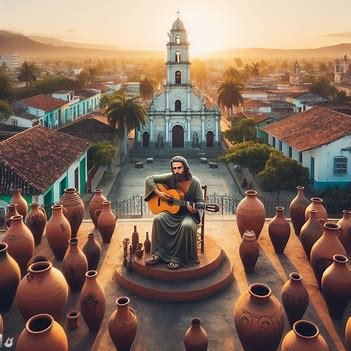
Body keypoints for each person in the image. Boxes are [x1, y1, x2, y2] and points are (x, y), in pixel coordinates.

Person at [144, 155, 204, 270]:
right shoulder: (171, 177)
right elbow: (149, 179)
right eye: (174, 168)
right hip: (172, 213)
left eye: (179, 168)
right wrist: (158, 193)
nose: (176, 171)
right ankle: (159, 253)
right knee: (158, 219)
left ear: (185, 167)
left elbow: (200, 202)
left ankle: (179, 258)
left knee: (186, 226)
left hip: (189, 215)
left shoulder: (195, 182)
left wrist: (195, 208)